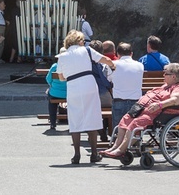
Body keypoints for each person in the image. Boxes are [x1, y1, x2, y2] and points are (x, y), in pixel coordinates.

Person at [101, 63, 179, 159]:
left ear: (173, 76)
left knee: (136, 123)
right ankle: (115, 147)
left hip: (161, 114)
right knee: (126, 118)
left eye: (165, 73)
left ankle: (121, 150)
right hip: (145, 110)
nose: (163, 75)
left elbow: (176, 100)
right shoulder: (166, 86)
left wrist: (159, 104)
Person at [56, 30, 116, 164]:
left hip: (73, 86)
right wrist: (113, 65)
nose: (84, 42)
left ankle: (76, 154)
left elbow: (61, 77)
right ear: (79, 41)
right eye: (82, 40)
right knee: (92, 116)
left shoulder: (63, 56)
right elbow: (105, 59)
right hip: (88, 84)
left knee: (75, 118)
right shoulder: (87, 51)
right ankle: (94, 153)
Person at [110, 42, 144, 129]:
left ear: (117, 54)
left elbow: (109, 79)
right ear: (131, 54)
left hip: (119, 101)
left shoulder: (113, 65)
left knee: (118, 129)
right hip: (136, 102)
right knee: (133, 129)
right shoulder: (140, 65)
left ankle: (118, 142)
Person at [46, 48, 67, 130]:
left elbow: (48, 79)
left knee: (51, 98)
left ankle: (52, 122)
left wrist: (52, 85)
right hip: (69, 93)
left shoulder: (55, 66)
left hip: (55, 93)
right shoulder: (72, 66)